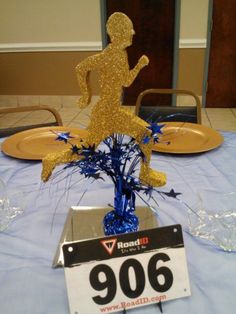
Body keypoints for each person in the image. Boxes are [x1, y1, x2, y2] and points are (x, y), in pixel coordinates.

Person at [42, 12, 166, 187]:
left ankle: (145, 173)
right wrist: (86, 95)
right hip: (107, 114)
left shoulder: (119, 54)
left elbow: (124, 81)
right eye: (129, 29)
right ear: (118, 33)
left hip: (113, 110)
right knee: (87, 149)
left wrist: (138, 65)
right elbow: (82, 68)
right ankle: (52, 160)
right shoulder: (109, 55)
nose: (133, 32)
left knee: (144, 134)